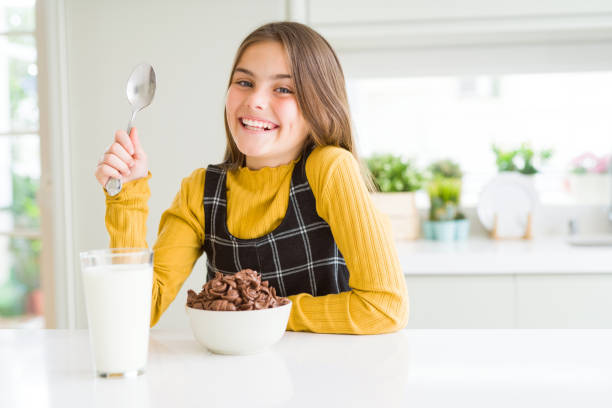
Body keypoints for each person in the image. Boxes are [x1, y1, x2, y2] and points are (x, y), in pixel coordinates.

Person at [94, 21, 408, 334]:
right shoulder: (201, 191)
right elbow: (137, 311)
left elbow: (384, 307)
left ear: (320, 107)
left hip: (323, 377)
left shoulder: (330, 169)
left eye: (283, 89)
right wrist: (128, 194)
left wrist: (261, 310)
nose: (255, 100)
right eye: (244, 82)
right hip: (232, 379)